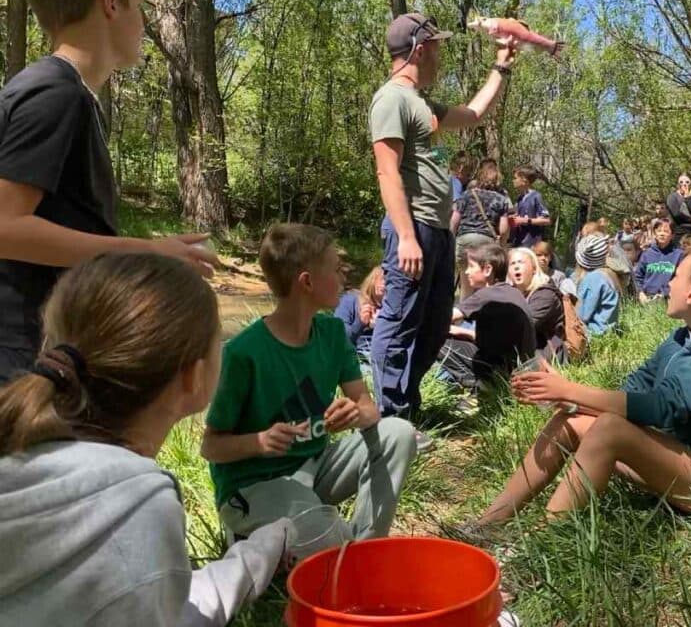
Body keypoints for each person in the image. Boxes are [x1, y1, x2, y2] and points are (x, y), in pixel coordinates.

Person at [0, 254, 290, 625]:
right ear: (193, 378)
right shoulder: (138, 503)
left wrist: (258, 554)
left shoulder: (25, 452)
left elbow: (154, 603)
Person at [0, 0, 217, 383]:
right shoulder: (54, 94)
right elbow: (5, 227)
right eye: (139, 6)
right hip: (21, 361)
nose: (143, 23)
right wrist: (145, 252)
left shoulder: (63, 93)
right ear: (112, 2)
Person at [472, 237, 691, 528]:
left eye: (676, 276)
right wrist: (569, 399)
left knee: (610, 429)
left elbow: (662, 408)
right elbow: (633, 389)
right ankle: (487, 525)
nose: (669, 282)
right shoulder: (683, 337)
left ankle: (539, 552)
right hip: (687, 457)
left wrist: (571, 389)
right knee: (574, 420)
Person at [202, 224, 416, 541]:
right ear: (307, 282)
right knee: (329, 533)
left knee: (398, 433)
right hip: (254, 486)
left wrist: (356, 414)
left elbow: (369, 410)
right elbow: (211, 446)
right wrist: (259, 441)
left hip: (312, 468)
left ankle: (366, 548)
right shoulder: (243, 354)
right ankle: (267, 538)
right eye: (336, 269)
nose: (345, 279)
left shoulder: (331, 335)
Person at [368, 13, 515, 446]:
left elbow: (472, 114)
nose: (440, 54)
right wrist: (407, 235)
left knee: (432, 326)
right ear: (418, 49)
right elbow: (387, 174)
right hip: (411, 228)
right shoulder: (390, 99)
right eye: (436, 46)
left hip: (437, 231)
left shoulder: (420, 102)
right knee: (397, 322)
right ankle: (390, 425)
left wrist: (501, 65)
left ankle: (406, 412)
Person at [439, 243, 536, 395]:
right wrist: (461, 332)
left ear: (487, 270)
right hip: (519, 370)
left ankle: (482, 388)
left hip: (502, 373)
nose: (466, 271)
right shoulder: (512, 292)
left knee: (436, 338)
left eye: (471, 266)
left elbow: (442, 319)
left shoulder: (486, 295)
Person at [451, 161, 512, 296]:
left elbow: (454, 221)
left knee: (466, 282)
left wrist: (450, 241)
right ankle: (482, 311)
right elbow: (503, 230)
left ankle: (465, 312)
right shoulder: (501, 199)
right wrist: (501, 246)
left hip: (465, 239)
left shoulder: (467, 194)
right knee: (486, 281)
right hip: (486, 241)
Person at [508, 248, 565, 360]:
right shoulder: (513, 292)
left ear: (534, 269)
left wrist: (475, 334)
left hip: (546, 355)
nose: (516, 266)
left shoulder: (545, 294)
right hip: (524, 351)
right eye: (512, 263)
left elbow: (521, 326)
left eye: (521, 262)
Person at [574, 234, 622, 337]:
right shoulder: (607, 274)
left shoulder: (593, 279)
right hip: (609, 332)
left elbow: (582, 315)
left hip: (595, 333)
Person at [334, 266, 385, 361]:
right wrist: (360, 323)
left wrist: (382, 325)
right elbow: (338, 339)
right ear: (373, 280)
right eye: (383, 278)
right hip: (356, 356)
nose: (385, 284)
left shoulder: (394, 308)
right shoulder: (350, 300)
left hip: (383, 359)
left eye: (391, 281)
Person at [634, 218, 683, 303]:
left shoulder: (679, 255)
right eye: (659, 231)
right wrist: (641, 293)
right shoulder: (647, 254)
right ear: (655, 233)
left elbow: (681, 279)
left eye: (666, 231)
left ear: (672, 235)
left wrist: (666, 293)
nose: (662, 234)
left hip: (669, 300)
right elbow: (638, 276)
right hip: (647, 299)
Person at [508, 165, 551, 247]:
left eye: (516, 178)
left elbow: (546, 220)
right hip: (519, 241)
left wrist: (525, 221)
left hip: (532, 243)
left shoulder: (536, 196)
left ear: (524, 180)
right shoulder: (520, 198)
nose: (513, 181)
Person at [666, 173, 691, 241]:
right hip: (678, 232)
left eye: (687, 182)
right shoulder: (672, 197)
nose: (684, 184)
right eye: (681, 182)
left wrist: (687, 198)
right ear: (677, 184)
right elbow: (676, 214)